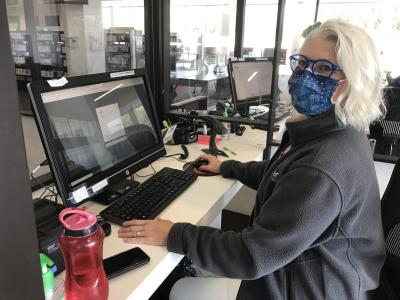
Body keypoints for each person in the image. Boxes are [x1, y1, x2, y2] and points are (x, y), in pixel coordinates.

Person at [118, 19, 386, 299]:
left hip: (306, 287)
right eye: (303, 63)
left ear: (353, 82)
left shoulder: (321, 166)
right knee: (197, 263)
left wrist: (173, 234)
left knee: (178, 289)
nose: (305, 76)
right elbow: (283, 177)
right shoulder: (335, 130)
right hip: (304, 266)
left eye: (323, 69)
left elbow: (251, 256)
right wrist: (227, 166)